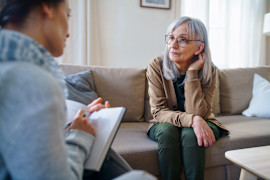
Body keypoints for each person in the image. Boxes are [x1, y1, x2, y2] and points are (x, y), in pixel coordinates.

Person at [0, 0, 156, 180]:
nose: (68, 32)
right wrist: (79, 136)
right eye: (67, 15)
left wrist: (75, 122)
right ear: (47, 8)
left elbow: (24, 144)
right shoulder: (33, 79)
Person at [146, 16, 229, 180]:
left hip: (204, 120)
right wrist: (192, 120)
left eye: (182, 40)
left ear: (199, 48)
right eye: (171, 38)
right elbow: (159, 111)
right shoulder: (156, 66)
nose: (173, 45)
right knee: (167, 131)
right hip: (165, 123)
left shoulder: (209, 70)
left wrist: (192, 74)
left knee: (191, 134)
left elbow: (201, 113)